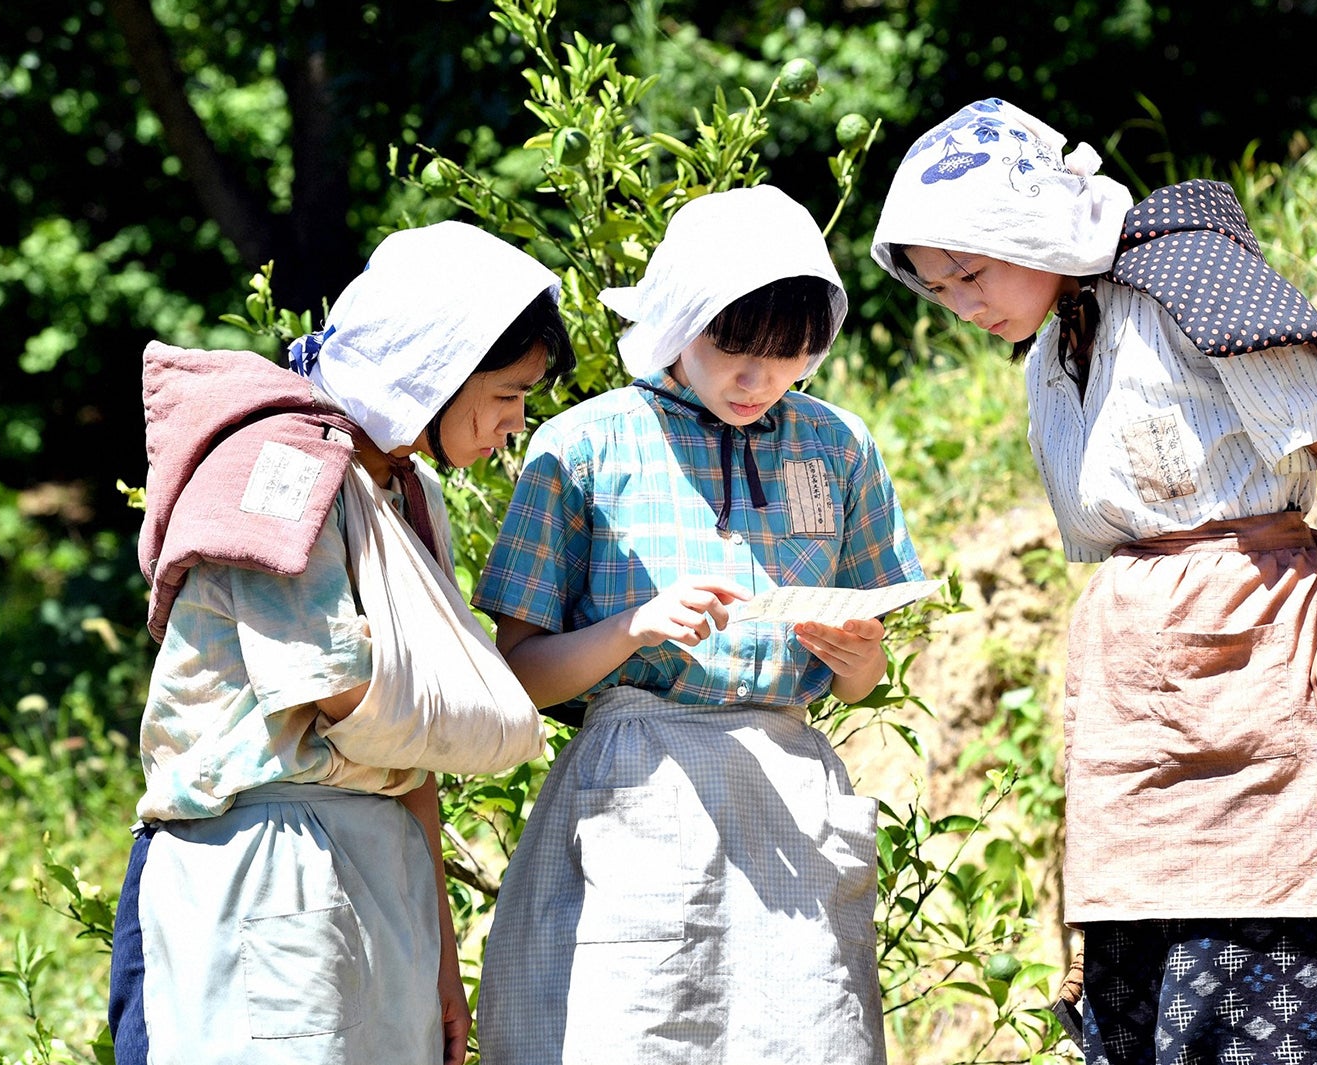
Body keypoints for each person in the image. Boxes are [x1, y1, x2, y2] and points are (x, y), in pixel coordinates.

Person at [870, 99, 1317, 1065]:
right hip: (1133, 703)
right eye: (939, 290)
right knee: (1135, 1003)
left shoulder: (1185, 281)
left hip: (1261, 662)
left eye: (972, 271)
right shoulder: (1049, 356)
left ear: (1029, 226)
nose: (963, 303)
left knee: (1259, 983)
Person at [470, 184, 924, 1065]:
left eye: (790, 355)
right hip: (637, 784)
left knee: (807, 1034)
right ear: (679, 320)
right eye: (733, 350)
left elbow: (861, 675)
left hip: (792, 795)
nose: (760, 380)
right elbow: (518, 673)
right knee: (638, 1032)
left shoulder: (838, 446)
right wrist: (633, 627)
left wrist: (856, 656)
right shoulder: (583, 444)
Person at [107, 220, 575, 1065]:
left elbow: (410, 764)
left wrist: (441, 959)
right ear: (435, 370)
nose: (514, 425)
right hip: (264, 862)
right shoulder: (281, 466)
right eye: (505, 395)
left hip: (377, 872)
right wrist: (502, 725)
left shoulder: (402, 487)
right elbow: (335, 689)